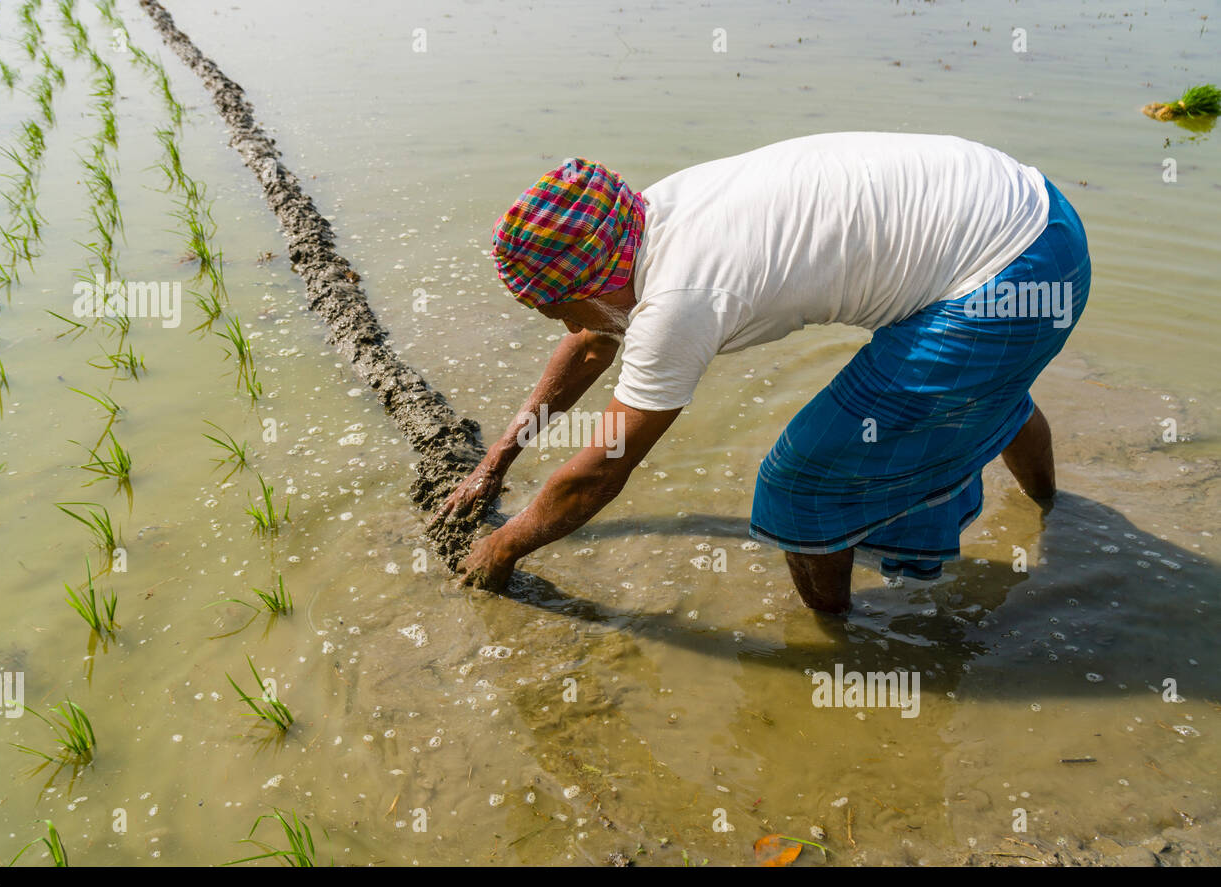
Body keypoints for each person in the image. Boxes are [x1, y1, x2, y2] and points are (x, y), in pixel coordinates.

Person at [431, 132, 1092, 614]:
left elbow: (599, 472)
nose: (555, 320)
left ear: (590, 279)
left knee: (802, 480)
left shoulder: (677, 301)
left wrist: (500, 552)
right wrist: (497, 461)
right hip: (1037, 215)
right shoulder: (644, 218)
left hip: (1007, 276)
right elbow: (590, 343)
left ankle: (832, 641)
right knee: (987, 389)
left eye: (549, 303)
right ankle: (1058, 515)